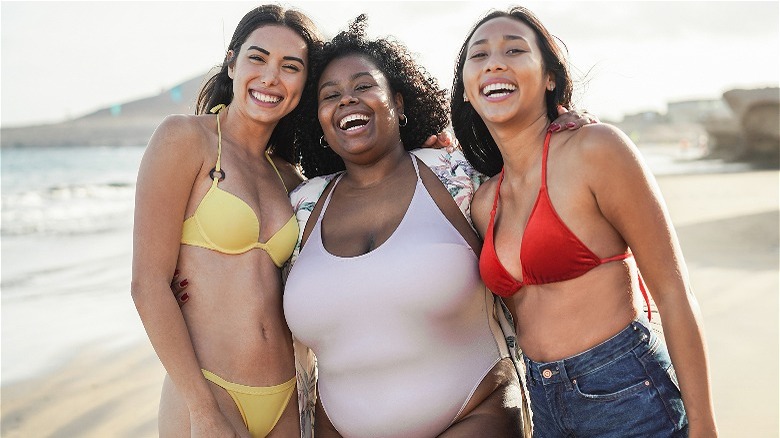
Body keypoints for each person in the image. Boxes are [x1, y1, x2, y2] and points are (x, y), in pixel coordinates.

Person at [452, 6, 718, 437]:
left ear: (550, 76)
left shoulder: (596, 150)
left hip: (625, 391)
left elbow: (673, 293)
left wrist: (705, 426)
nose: (495, 62)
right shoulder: (483, 200)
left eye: (514, 50)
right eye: (478, 56)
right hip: (541, 403)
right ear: (466, 89)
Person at [282, 15, 525, 437]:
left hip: (473, 416)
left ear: (398, 101)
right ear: (318, 119)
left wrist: (566, 128)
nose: (347, 100)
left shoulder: (457, 173)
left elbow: (539, 183)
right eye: (330, 94)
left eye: (363, 86)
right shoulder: (302, 204)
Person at [131, 5, 323, 437]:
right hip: (211, 392)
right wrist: (200, 408)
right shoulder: (185, 139)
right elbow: (147, 284)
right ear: (232, 63)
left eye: (290, 66)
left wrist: (424, 144)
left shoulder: (291, 178)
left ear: (304, 84)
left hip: (286, 395)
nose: (271, 77)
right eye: (258, 58)